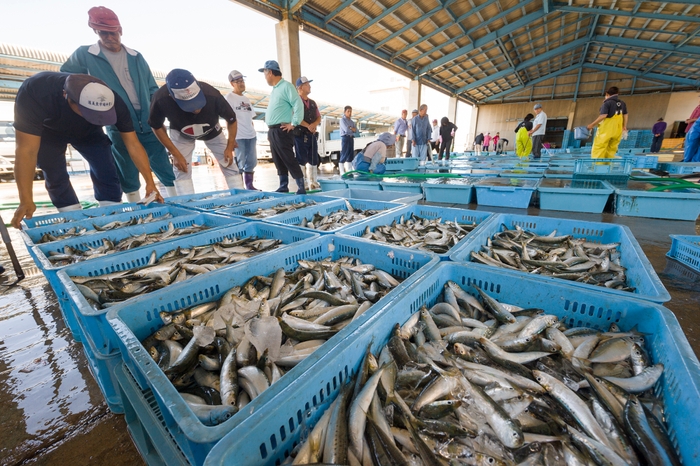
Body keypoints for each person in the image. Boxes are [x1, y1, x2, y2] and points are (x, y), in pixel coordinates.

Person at [11, 72, 163, 229]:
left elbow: (133, 144)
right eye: (92, 113)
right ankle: (73, 222)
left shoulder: (113, 100)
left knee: (106, 168)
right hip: (48, 133)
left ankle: (112, 219)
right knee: (54, 173)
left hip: (89, 131)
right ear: (66, 96)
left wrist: (150, 183)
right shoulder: (36, 91)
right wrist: (26, 200)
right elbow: (26, 151)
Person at [61, 6, 179, 202]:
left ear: (120, 30)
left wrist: (155, 111)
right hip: (116, 121)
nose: (109, 37)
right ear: (95, 31)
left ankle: (177, 201)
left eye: (113, 32)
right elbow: (66, 79)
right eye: (103, 33)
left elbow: (152, 87)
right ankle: (135, 209)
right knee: (127, 169)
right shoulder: (84, 54)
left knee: (163, 165)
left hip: (147, 121)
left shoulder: (136, 56)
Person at [148, 69, 242, 195]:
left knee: (229, 164)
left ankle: (241, 198)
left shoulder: (212, 94)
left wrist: (229, 146)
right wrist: (175, 154)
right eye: (190, 104)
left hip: (213, 130)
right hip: (181, 132)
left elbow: (232, 119)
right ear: (173, 97)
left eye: (197, 102)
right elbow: (156, 126)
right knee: (181, 169)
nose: (196, 109)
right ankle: (188, 204)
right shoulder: (160, 99)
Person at [258, 60, 306, 193]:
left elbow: (298, 104)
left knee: (288, 157)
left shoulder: (286, 86)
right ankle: (283, 185)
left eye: (265, 73)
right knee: (278, 159)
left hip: (282, 129)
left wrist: (294, 123)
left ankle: (301, 185)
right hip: (273, 130)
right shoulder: (275, 90)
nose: (265, 76)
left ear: (270, 72)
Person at [224, 70, 258, 190]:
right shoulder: (229, 98)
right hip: (238, 136)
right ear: (232, 83)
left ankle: (249, 185)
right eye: (238, 81)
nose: (241, 83)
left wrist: (253, 132)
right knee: (239, 162)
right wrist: (231, 139)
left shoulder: (247, 99)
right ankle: (239, 187)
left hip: (251, 136)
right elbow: (228, 120)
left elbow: (250, 118)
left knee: (252, 162)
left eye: (242, 80)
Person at [293, 76, 322, 190]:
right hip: (300, 134)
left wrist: (314, 125)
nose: (309, 86)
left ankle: (313, 182)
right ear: (300, 87)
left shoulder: (313, 103)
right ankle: (302, 183)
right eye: (307, 84)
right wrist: (308, 126)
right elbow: (295, 117)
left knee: (313, 158)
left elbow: (319, 117)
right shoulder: (295, 101)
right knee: (301, 159)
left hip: (311, 135)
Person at [587, 87, 628, 159]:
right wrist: (624, 126)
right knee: (612, 149)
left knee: (599, 148)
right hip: (618, 130)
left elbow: (603, 115)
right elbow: (625, 114)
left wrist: (592, 125)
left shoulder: (607, 103)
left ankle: (598, 168)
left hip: (606, 130)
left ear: (607, 94)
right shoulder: (622, 103)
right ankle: (608, 167)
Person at [339, 105, 356, 175]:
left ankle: (349, 171)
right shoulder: (342, 120)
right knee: (344, 154)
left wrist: (350, 128)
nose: (349, 113)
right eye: (348, 111)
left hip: (351, 138)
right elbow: (346, 129)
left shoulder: (352, 122)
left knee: (350, 154)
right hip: (345, 138)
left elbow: (356, 130)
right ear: (344, 112)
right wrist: (352, 129)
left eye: (350, 111)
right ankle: (342, 171)